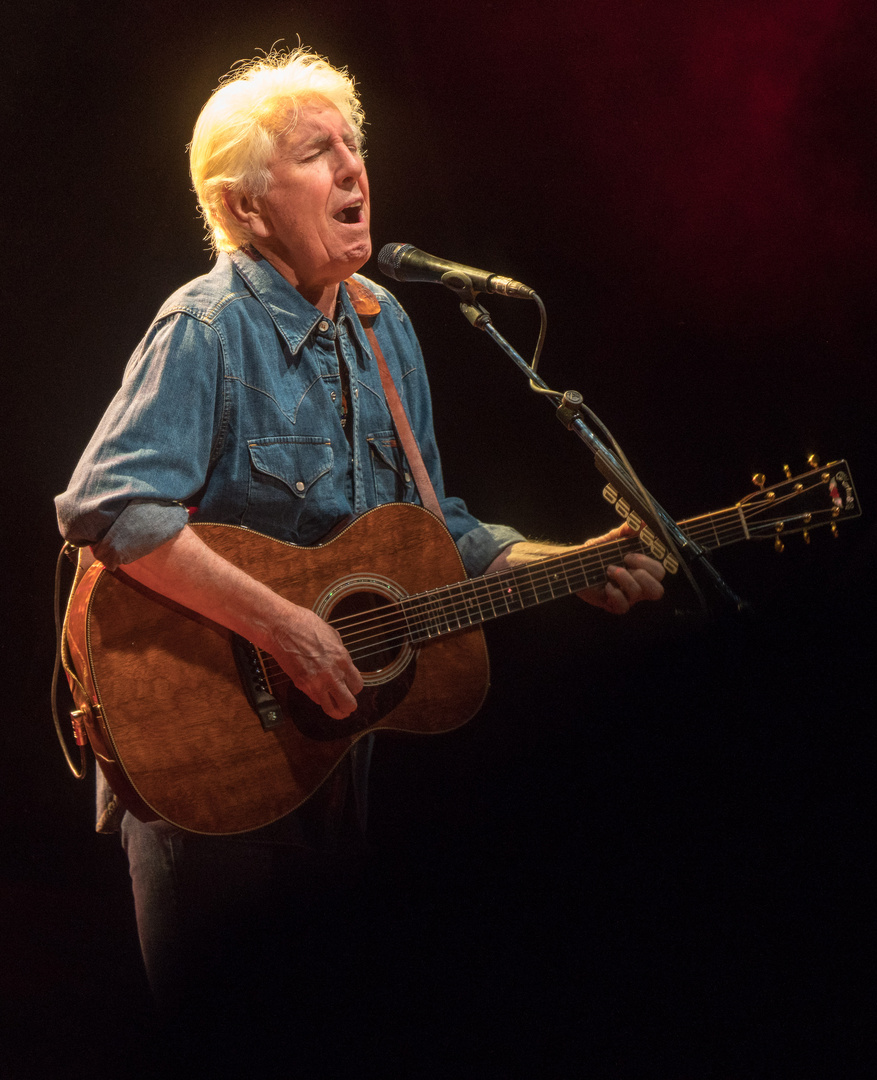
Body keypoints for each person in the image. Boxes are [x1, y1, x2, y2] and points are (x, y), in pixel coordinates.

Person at [56, 46, 665, 1066]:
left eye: (355, 146)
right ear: (245, 207)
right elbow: (110, 507)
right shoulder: (205, 328)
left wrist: (555, 563)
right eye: (315, 153)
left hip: (335, 759)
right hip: (201, 755)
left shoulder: (388, 332)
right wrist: (285, 624)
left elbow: (435, 531)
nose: (352, 169)